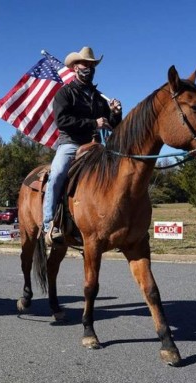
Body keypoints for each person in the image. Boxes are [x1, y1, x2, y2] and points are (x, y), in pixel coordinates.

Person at [42, 47, 123, 245]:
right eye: (84, 64)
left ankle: (118, 225)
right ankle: (49, 224)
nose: (88, 68)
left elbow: (112, 125)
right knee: (58, 173)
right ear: (74, 68)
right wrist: (94, 123)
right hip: (71, 143)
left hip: (96, 145)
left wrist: (115, 113)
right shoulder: (65, 93)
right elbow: (62, 121)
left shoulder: (98, 97)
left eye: (91, 65)